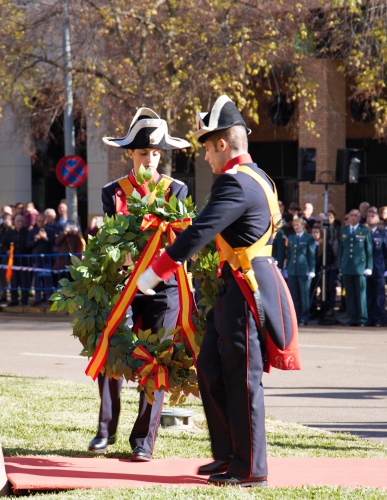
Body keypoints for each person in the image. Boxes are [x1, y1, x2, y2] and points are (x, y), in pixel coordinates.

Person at [137, 95, 298, 487]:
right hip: (236, 287)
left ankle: (251, 468)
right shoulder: (258, 176)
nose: (205, 158)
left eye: (207, 149)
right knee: (210, 368)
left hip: (246, 290)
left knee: (242, 378)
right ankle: (228, 454)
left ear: (222, 145)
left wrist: (153, 274)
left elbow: (198, 233)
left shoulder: (235, 182)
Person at [91, 106, 190, 463]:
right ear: (130, 154)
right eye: (143, 152)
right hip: (124, 284)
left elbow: (181, 243)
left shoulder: (176, 190)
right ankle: (106, 428)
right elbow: (110, 241)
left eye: (154, 153)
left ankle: (143, 440)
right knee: (110, 349)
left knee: (157, 358)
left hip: (164, 286)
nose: (149, 159)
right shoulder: (112, 192)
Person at [339, 209, 373, 327]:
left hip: (360, 267)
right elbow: (341, 250)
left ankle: (362, 318)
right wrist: (340, 266)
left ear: (359, 218)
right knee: (350, 294)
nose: (352, 217)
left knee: (361, 294)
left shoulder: (364, 230)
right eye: (351, 215)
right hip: (347, 266)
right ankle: (352, 317)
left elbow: (369, 250)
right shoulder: (344, 231)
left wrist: (369, 266)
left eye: (355, 216)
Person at [278, 217, 314, 325]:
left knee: (304, 295)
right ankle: (296, 316)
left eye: (298, 225)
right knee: (294, 295)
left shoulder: (308, 237)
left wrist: (312, 269)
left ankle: (304, 317)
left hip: (304, 270)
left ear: (303, 226)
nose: (296, 227)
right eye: (294, 225)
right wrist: (286, 267)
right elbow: (289, 254)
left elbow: (311, 255)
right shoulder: (292, 237)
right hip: (292, 269)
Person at [366, 211, 387, 327]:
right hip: (366, 269)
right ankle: (370, 317)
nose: (369, 218)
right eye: (368, 216)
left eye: (372, 216)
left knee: (380, 295)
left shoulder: (382, 233)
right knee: (369, 295)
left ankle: (380, 318)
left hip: (379, 268)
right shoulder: (364, 233)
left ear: (377, 220)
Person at [0, 214, 30, 306]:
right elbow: (3, 245)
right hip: (13, 261)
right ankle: (14, 300)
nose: (20, 223)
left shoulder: (27, 232)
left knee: (24, 281)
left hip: (24, 262)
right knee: (14, 281)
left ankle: (24, 300)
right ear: (14, 223)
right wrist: (7, 251)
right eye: (18, 221)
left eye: (21, 221)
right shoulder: (10, 233)